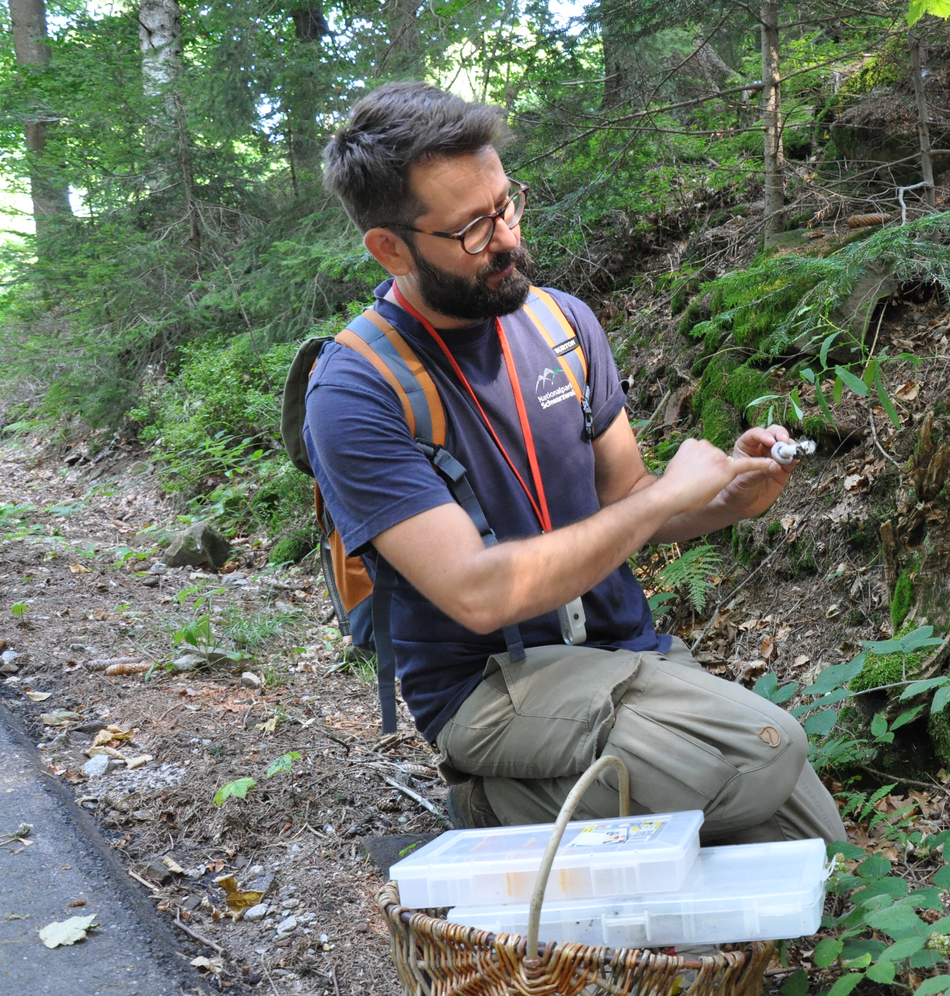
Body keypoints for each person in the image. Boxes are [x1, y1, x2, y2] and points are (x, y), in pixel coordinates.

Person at [307, 81, 844, 847]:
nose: (506, 239)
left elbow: (624, 494)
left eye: (507, 205)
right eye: (471, 229)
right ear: (390, 247)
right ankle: (495, 805)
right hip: (493, 687)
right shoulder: (358, 389)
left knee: (818, 852)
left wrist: (728, 494)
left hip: (623, 652)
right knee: (764, 752)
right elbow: (477, 593)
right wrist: (659, 504)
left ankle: (586, 830)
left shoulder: (561, 322)